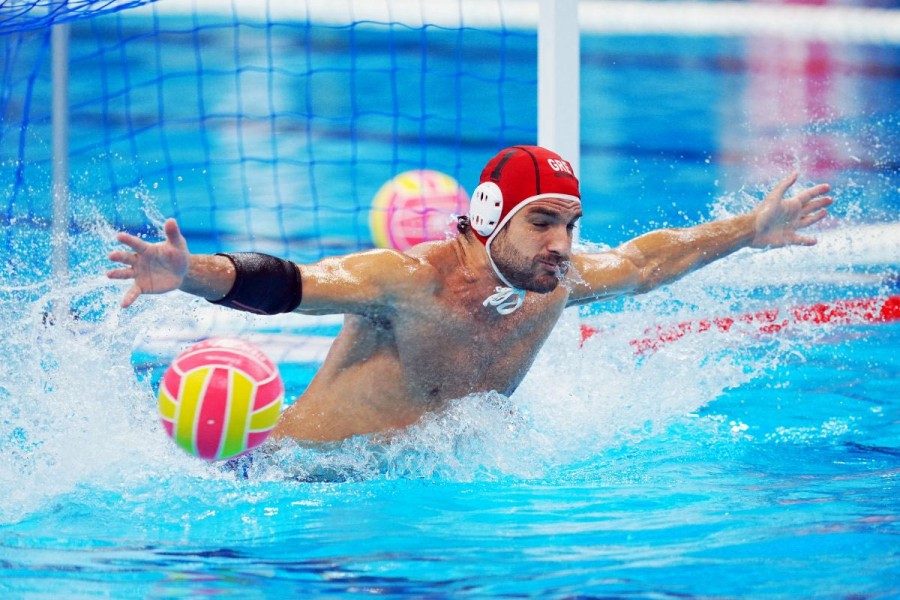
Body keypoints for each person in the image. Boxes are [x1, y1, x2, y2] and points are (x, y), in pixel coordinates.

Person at [107, 145, 832, 442]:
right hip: (303, 482)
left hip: (421, 494)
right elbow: (290, 284)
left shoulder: (553, 285)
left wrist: (750, 228)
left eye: (571, 225)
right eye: (542, 223)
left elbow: (645, 262)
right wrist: (191, 273)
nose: (562, 244)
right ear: (489, 219)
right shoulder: (408, 281)